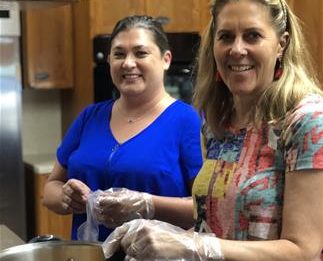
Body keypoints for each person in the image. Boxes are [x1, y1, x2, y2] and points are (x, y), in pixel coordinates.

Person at [102, 0, 323, 260]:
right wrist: (155, 226)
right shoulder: (217, 123)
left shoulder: (307, 121)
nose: (237, 49)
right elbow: (219, 219)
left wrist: (193, 245)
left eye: (252, 35)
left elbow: (302, 250)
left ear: (281, 44)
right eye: (226, 36)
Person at [43, 15, 203, 242]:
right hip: (90, 256)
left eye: (140, 53)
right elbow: (50, 189)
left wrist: (146, 204)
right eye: (119, 54)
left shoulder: (188, 121)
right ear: (109, 61)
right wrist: (65, 196)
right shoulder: (90, 117)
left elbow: (206, 209)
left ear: (166, 59)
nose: (128, 63)